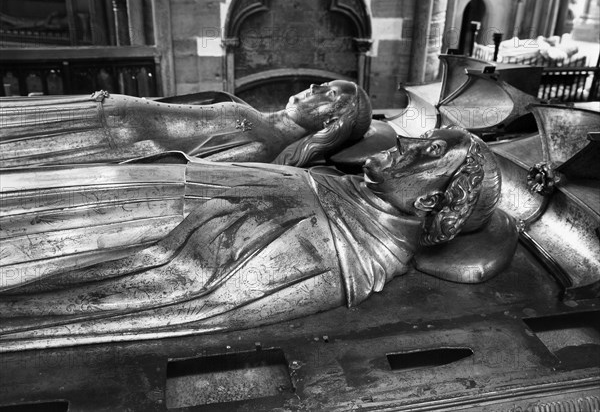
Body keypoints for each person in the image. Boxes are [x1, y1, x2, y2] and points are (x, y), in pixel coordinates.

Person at [0, 127, 505, 351]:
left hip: (88, 232)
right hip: (101, 192)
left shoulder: (339, 252)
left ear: (429, 205)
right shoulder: (336, 186)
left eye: (432, 150)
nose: (409, 141)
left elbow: (172, 284)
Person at [0, 80, 372, 168]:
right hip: (100, 111)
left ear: (330, 117)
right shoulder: (255, 118)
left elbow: (183, 170)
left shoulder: (261, 144)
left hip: (97, 135)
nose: (314, 86)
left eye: (327, 92)